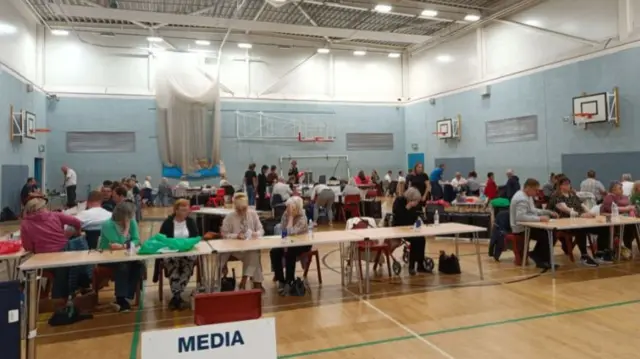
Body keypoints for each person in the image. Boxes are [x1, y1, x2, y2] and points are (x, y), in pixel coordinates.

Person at [21, 196, 90, 299]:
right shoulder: (55, 215)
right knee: (62, 271)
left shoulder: (25, 224)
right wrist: (78, 232)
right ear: (43, 207)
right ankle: (61, 300)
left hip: (42, 260)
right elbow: (76, 222)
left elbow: (28, 248)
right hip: (62, 254)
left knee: (26, 268)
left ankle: (42, 296)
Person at [546, 177, 603, 267]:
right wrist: (581, 215)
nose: (568, 186)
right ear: (560, 186)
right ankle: (584, 256)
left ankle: (601, 253)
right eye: (565, 184)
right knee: (581, 229)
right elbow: (566, 209)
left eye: (569, 183)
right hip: (563, 224)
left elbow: (582, 205)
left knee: (602, 228)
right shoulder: (556, 196)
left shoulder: (572, 195)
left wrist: (590, 213)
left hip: (578, 220)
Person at [99, 202, 143, 312]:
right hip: (107, 257)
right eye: (130, 215)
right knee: (123, 266)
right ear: (124, 215)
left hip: (126, 255)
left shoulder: (132, 221)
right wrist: (127, 229)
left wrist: (123, 246)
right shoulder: (108, 225)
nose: (132, 217)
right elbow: (117, 242)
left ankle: (126, 295)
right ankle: (120, 298)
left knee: (140, 265)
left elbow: (137, 240)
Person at [158, 199, 198, 310]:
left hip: (187, 251)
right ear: (176, 210)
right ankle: (177, 296)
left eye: (187, 209)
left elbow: (196, 237)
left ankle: (176, 297)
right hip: (171, 252)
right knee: (174, 266)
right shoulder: (168, 222)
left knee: (187, 266)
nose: (186, 212)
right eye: (183, 210)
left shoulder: (191, 222)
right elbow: (161, 239)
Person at [509, 178, 558, 269]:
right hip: (521, 228)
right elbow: (520, 217)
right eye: (535, 190)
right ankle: (540, 259)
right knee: (547, 235)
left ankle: (540, 257)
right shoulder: (521, 199)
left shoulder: (527, 196)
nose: (537, 193)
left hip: (528, 225)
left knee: (552, 233)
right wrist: (539, 219)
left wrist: (547, 212)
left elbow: (533, 210)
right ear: (528, 188)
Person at [220, 192, 264, 290]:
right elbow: (224, 234)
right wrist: (236, 236)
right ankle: (257, 283)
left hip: (249, 247)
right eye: (239, 209)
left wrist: (256, 234)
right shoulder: (230, 217)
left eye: (244, 209)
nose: (242, 212)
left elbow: (261, 230)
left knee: (254, 254)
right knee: (254, 256)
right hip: (234, 249)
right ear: (235, 207)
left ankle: (245, 280)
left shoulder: (253, 214)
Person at [270, 196, 310, 295]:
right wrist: (284, 239)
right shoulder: (285, 214)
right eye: (287, 207)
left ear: (296, 208)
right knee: (274, 251)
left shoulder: (302, 217)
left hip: (302, 243)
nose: (287, 210)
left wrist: (291, 218)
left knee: (290, 253)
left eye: (290, 207)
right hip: (288, 241)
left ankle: (289, 280)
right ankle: (281, 280)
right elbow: (283, 230)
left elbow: (291, 232)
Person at [392, 188, 427, 275]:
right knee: (415, 240)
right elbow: (399, 216)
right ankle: (411, 265)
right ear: (410, 198)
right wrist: (407, 208)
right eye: (416, 201)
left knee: (422, 239)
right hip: (399, 228)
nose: (417, 203)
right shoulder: (398, 201)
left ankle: (420, 264)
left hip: (410, 229)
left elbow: (414, 218)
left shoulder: (415, 206)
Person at [601, 181, 638, 255]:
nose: (622, 190)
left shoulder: (624, 196)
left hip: (626, 219)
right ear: (613, 190)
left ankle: (628, 248)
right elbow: (611, 209)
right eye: (620, 188)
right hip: (612, 220)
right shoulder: (609, 197)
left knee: (635, 228)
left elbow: (630, 206)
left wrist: (630, 209)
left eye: (622, 188)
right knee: (628, 228)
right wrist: (627, 208)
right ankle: (617, 248)